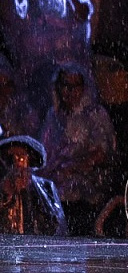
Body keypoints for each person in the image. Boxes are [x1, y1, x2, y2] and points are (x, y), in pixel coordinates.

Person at [36, 63, 117, 236]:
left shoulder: (94, 114)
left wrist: (73, 166)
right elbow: (45, 151)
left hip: (88, 187)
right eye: (65, 85)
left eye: (75, 86)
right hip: (57, 186)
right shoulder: (53, 115)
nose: (70, 91)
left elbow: (102, 152)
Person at [0, 134, 67, 236]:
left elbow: (56, 222)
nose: (17, 162)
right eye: (12, 158)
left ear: (29, 158)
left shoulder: (45, 187)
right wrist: (6, 194)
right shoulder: (4, 185)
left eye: (21, 157)